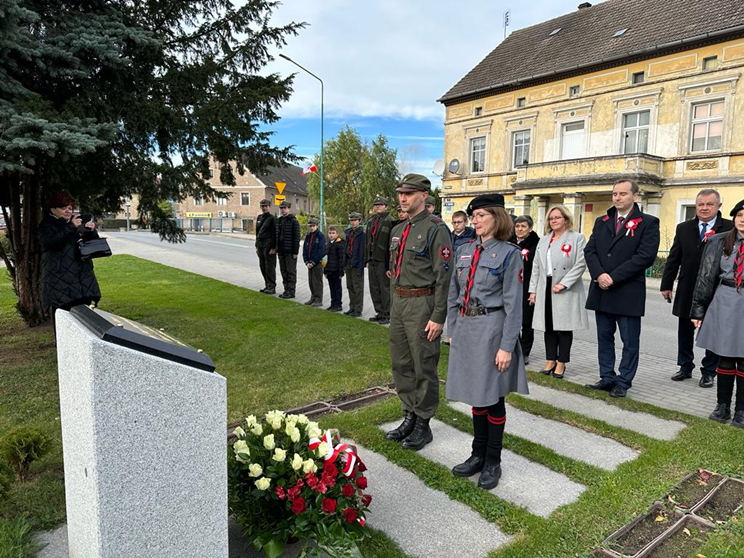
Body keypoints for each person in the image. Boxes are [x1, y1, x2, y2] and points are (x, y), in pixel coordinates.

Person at [446, 194, 527, 489]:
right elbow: (453, 293)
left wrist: (507, 345)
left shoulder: (509, 253)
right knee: (475, 395)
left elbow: (513, 305)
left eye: (481, 215)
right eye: (473, 216)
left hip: (493, 329)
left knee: (492, 398)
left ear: (497, 217)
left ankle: (493, 460)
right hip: (467, 328)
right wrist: (452, 329)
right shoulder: (464, 250)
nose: (475, 221)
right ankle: (476, 454)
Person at [385, 173, 453, 451]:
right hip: (400, 304)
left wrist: (438, 316)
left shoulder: (437, 229)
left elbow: (444, 277)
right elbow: (394, 273)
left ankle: (423, 423)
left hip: (422, 304)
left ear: (423, 196)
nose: (403, 198)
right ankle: (409, 414)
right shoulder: (398, 230)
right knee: (401, 363)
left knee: (423, 363)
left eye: (409, 194)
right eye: (401, 193)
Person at [584, 179, 660, 397]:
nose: (617, 197)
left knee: (629, 341)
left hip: (627, 291)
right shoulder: (602, 221)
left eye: (623, 194)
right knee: (604, 338)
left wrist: (613, 277)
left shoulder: (648, 222)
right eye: (615, 193)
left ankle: (624, 381)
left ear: (635, 196)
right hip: (602, 290)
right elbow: (590, 251)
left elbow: (645, 257)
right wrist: (599, 274)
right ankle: (607, 376)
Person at [661, 189, 732, 387]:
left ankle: (709, 371)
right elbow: (674, 258)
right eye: (700, 204)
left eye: (709, 204)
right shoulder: (684, 228)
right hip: (687, 287)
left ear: (718, 206)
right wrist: (666, 284)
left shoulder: (728, 228)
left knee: (712, 331)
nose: (704, 208)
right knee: (684, 330)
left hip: (715, 290)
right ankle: (684, 366)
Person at [691, 199, 744, 428]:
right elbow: (705, 278)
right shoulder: (718, 241)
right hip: (724, 300)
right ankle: (722, 406)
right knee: (724, 356)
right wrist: (698, 309)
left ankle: (741, 409)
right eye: (740, 215)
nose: (743, 219)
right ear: (734, 218)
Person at [528, 206, 588, 379]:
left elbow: (580, 264)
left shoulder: (576, 238)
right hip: (545, 285)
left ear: (566, 219)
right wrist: (533, 290)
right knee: (548, 326)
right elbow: (536, 267)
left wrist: (564, 283)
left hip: (564, 287)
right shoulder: (544, 240)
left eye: (557, 217)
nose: (553, 221)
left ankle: (561, 363)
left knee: (564, 327)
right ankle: (550, 360)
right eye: (551, 218)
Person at [38, 193, 102, 329]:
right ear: (53, 209)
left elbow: (93, 247)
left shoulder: (75, 223)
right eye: (63, 208)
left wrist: (91, 231)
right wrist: (71, 227)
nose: (68, 211)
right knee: (64, 323)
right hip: (61, 281)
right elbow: (51, 242)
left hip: (82, 278)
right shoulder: (47, 226)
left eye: (70, 208)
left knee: (86, 322)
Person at [514, 215, 540, 364]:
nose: (519, 229)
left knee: (526, 322)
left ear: (530, 228)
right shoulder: (510, 242)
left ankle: (525, 352)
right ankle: (514, 348)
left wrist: (533, 290)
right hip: (512, 287)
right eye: (517, 226)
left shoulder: (536, 244)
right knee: (512, 319)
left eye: (523, 226)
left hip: (527, 286)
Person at [365, 197, 393, 324]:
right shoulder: (371, 221)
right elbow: (367, 241)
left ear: (386, 206)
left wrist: (390, 264)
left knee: (384, 288)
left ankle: (387, 314)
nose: (378, 207)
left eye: (381, 205)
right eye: (376, 205)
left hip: (383, 259)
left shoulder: (390, 221)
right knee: (374, 287)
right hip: (372, 259)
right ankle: (379, 312)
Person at [275, 201, 300, 299]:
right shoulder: (279, 220)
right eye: (281, 208)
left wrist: (295, 252)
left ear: (289, 208)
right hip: (281, 250)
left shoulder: (293, 221)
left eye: (284, 208)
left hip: (290, 251)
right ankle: (286, 290)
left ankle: (291, 291)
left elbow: (296, 237)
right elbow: (277, 235)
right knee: (283, 271)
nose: (283, 210)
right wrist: (277, 248)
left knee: (291, 272)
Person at [344, 212, 366, 317]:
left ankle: (358, 309)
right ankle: (352, 307)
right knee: (350, 286)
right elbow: (346, 247)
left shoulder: (362, 234)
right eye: (351, 220)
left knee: (358, 288)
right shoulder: (348, 233)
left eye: (355, 220)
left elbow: (362, 252)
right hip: (348, 262)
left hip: (357, 263)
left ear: (359, 221)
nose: (353, 222)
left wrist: (361, 266)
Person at [302, 217, 326, 307]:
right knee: (311, 281)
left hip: (317, 263)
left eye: (313, 226)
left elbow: (321, 251)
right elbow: (305, 249)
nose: (312, 228)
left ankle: (318, 299)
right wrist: (306, 261)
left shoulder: (320, 236)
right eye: (310, 226)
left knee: (317, 282)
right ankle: (313, 297)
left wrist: (313, 262)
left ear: (317, 226)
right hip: (309, 264)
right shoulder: (308, 236)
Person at [255, 199, 277, 294]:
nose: (264, 208)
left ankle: (272, 287)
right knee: (262, 265)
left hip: (269, 244)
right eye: (262, 206)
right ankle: (267, 285)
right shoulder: (259, 217)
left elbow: (275, 233)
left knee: (270, 266)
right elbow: (257, 232)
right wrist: (256, 245)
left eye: (266, 206)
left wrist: (273, 247)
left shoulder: (272, 218)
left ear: (269, 207)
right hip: (260, 244)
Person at [324, 226, 346, 311]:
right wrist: (325, 270)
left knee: (337, 288)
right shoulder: (328, 244)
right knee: (331, 288)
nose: (331, 235)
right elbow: (325, 259)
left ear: (337, 234)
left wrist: (341, 272)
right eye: (330, 233)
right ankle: (333, 303)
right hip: (329, 269)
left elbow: (341, 259)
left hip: (336, 270)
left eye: (333, 233)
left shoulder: (339, 244)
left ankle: (338, 304)